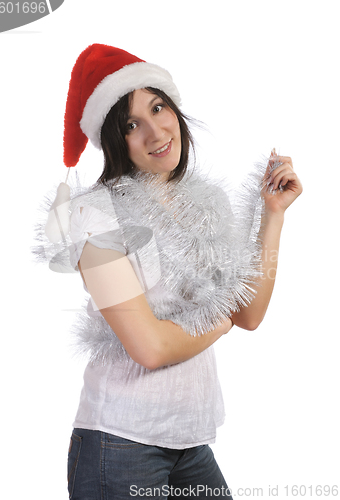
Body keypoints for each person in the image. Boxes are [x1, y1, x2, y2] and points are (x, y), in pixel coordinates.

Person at [37, 44, 302, 499]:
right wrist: (220, 323)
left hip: (189, 443)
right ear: (115, 141)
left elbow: (250, 314)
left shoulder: (203, 205)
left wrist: (272, 213)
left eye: (158, 107)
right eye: (131, 124)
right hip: (119, 444)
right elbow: (151, 348)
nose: (156, 131)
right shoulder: (94, 216)